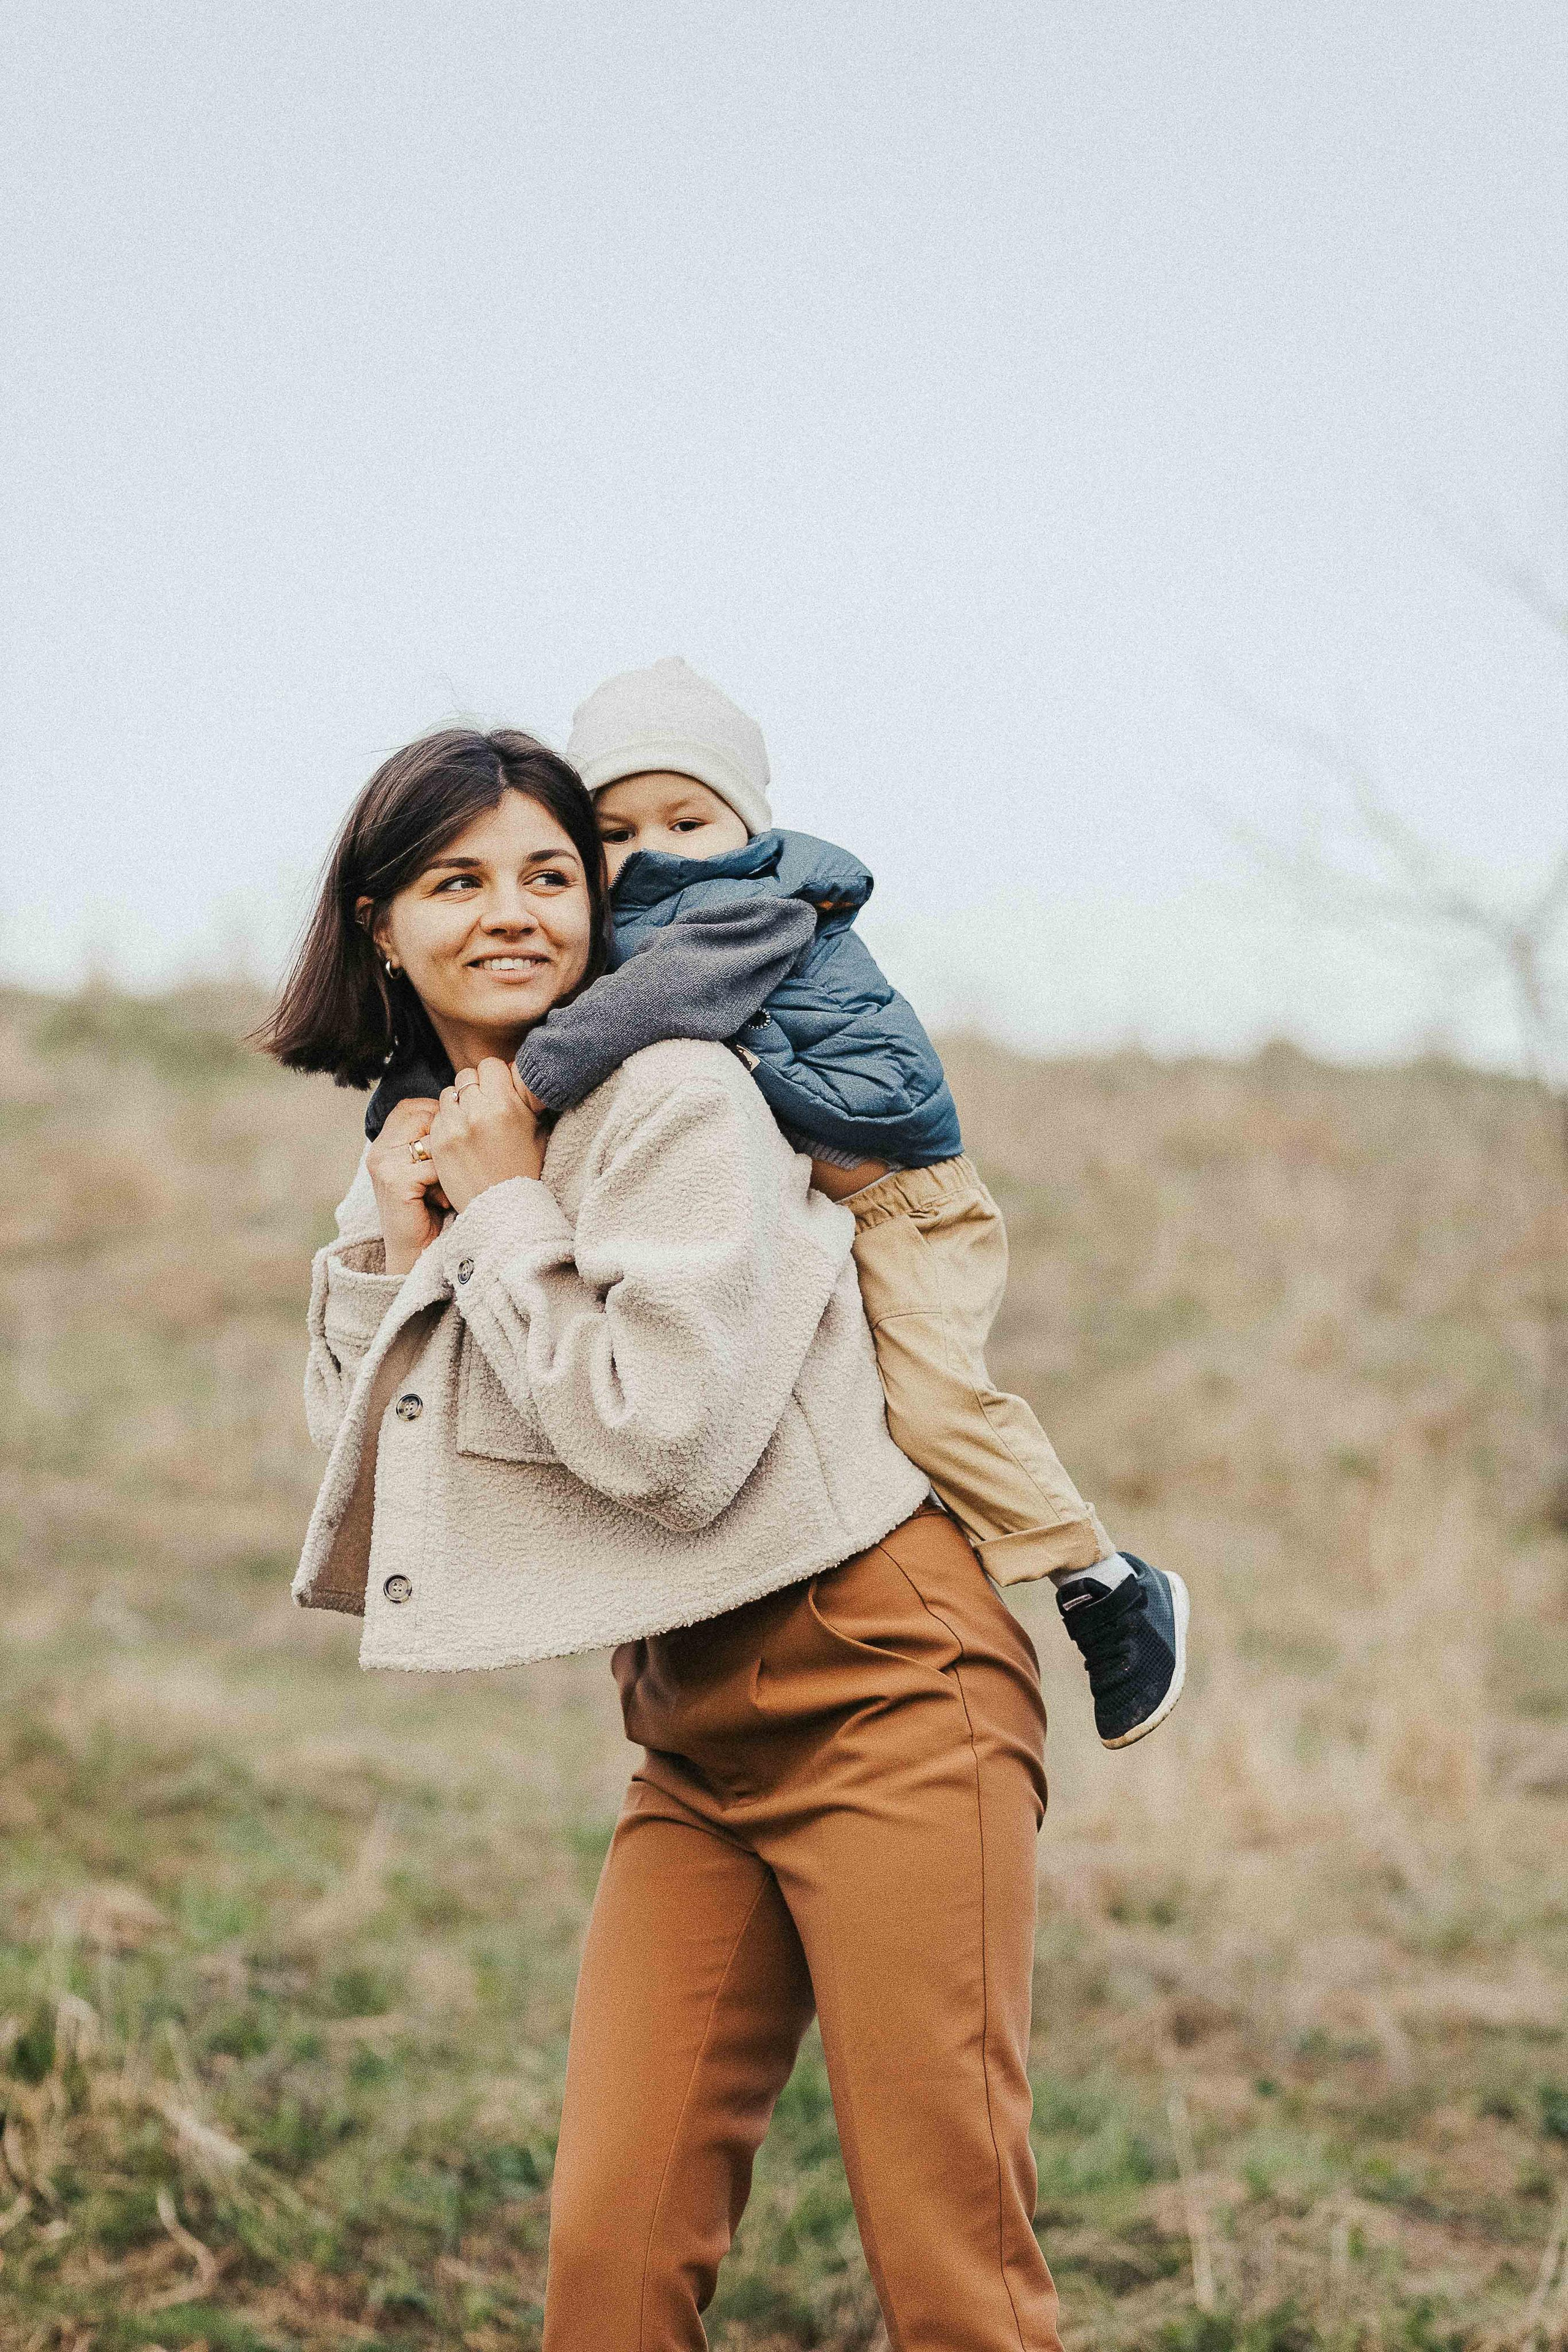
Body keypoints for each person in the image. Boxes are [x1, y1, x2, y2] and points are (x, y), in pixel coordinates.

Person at [258, 726, 1068, 2350]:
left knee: (954, 2281)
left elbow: (665, 1445)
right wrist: (405, 1224)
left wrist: (502, 1215)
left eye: (552, 874)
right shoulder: (453, 1126)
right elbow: (372, 1444)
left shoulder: (683, 1090)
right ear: (378, 925)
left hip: (893, 1688)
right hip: (692, 1730)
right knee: (611, 2268)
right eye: (456, 879)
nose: (514, 911)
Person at [391, 659, 1188, 1747]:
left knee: (937, 1406)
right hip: (821, 1214)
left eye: (689, 818)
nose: (655, 850)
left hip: (904, 1204)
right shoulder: (610, 941)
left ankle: (1104, 1580)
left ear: (748, 827)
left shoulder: (752, 910)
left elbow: (628, 1018)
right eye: (616, 831)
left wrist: (515, 1095)